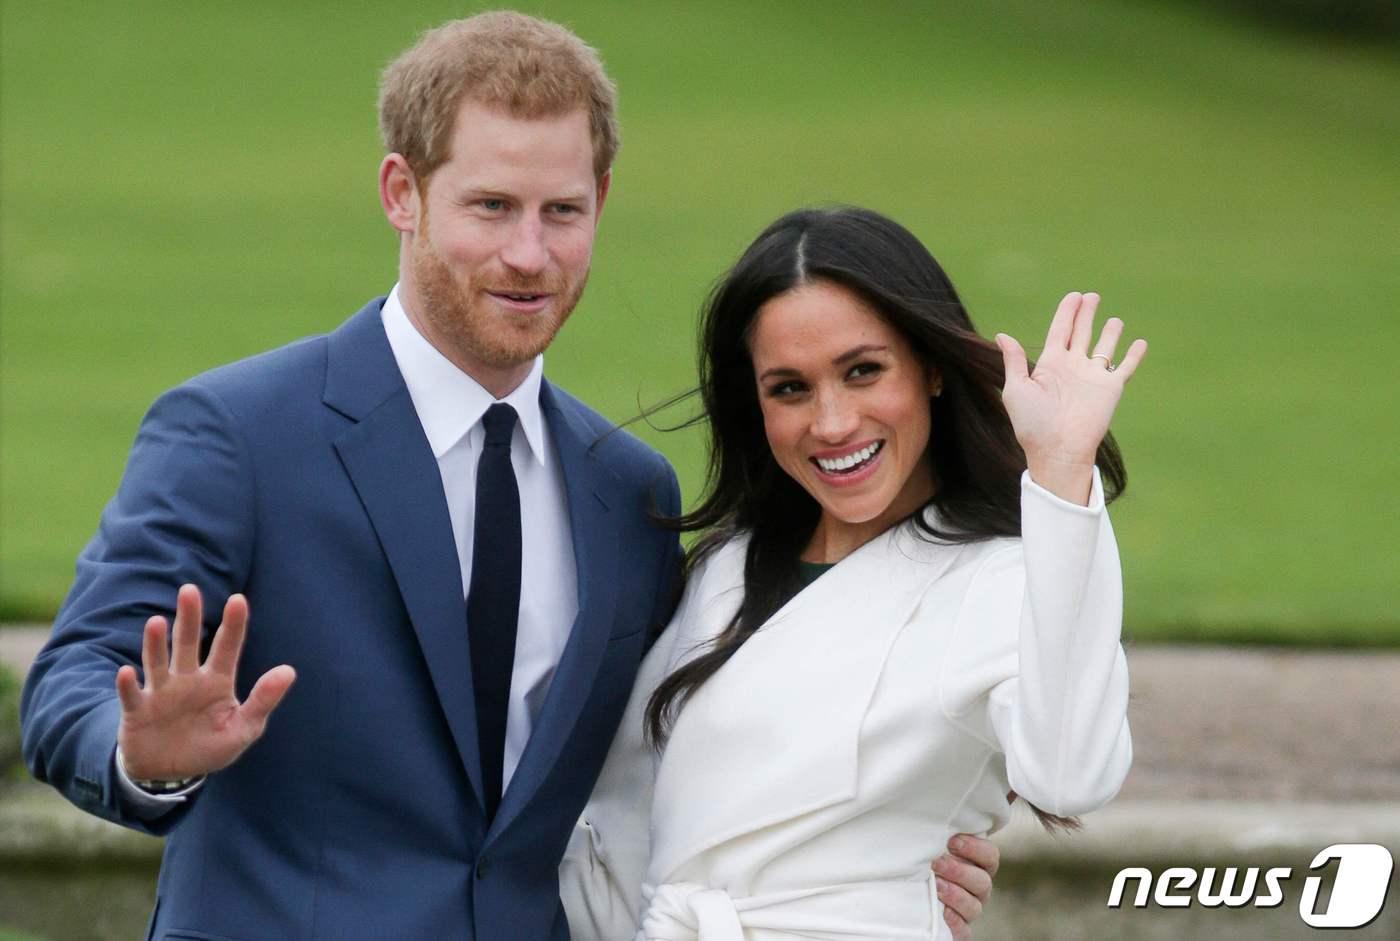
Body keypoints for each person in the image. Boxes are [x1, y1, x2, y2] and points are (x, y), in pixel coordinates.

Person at [18, 15, 997, 941]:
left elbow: (675, 758)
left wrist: (878, 853)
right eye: (490, 206)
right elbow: (72, 677)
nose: (529, 255)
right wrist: (136, 753)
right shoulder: (236, 433)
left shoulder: (627, 491)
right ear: (401, 191)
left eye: (560, 211)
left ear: (600, 203)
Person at [560, 206, 1146, 940]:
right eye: (790, 388)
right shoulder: (726, 566)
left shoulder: (1001, 577)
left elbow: (1073, 775)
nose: (832, 422)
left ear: (930, 367)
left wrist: (1061, 472)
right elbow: (630, 816)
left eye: (863, 371)